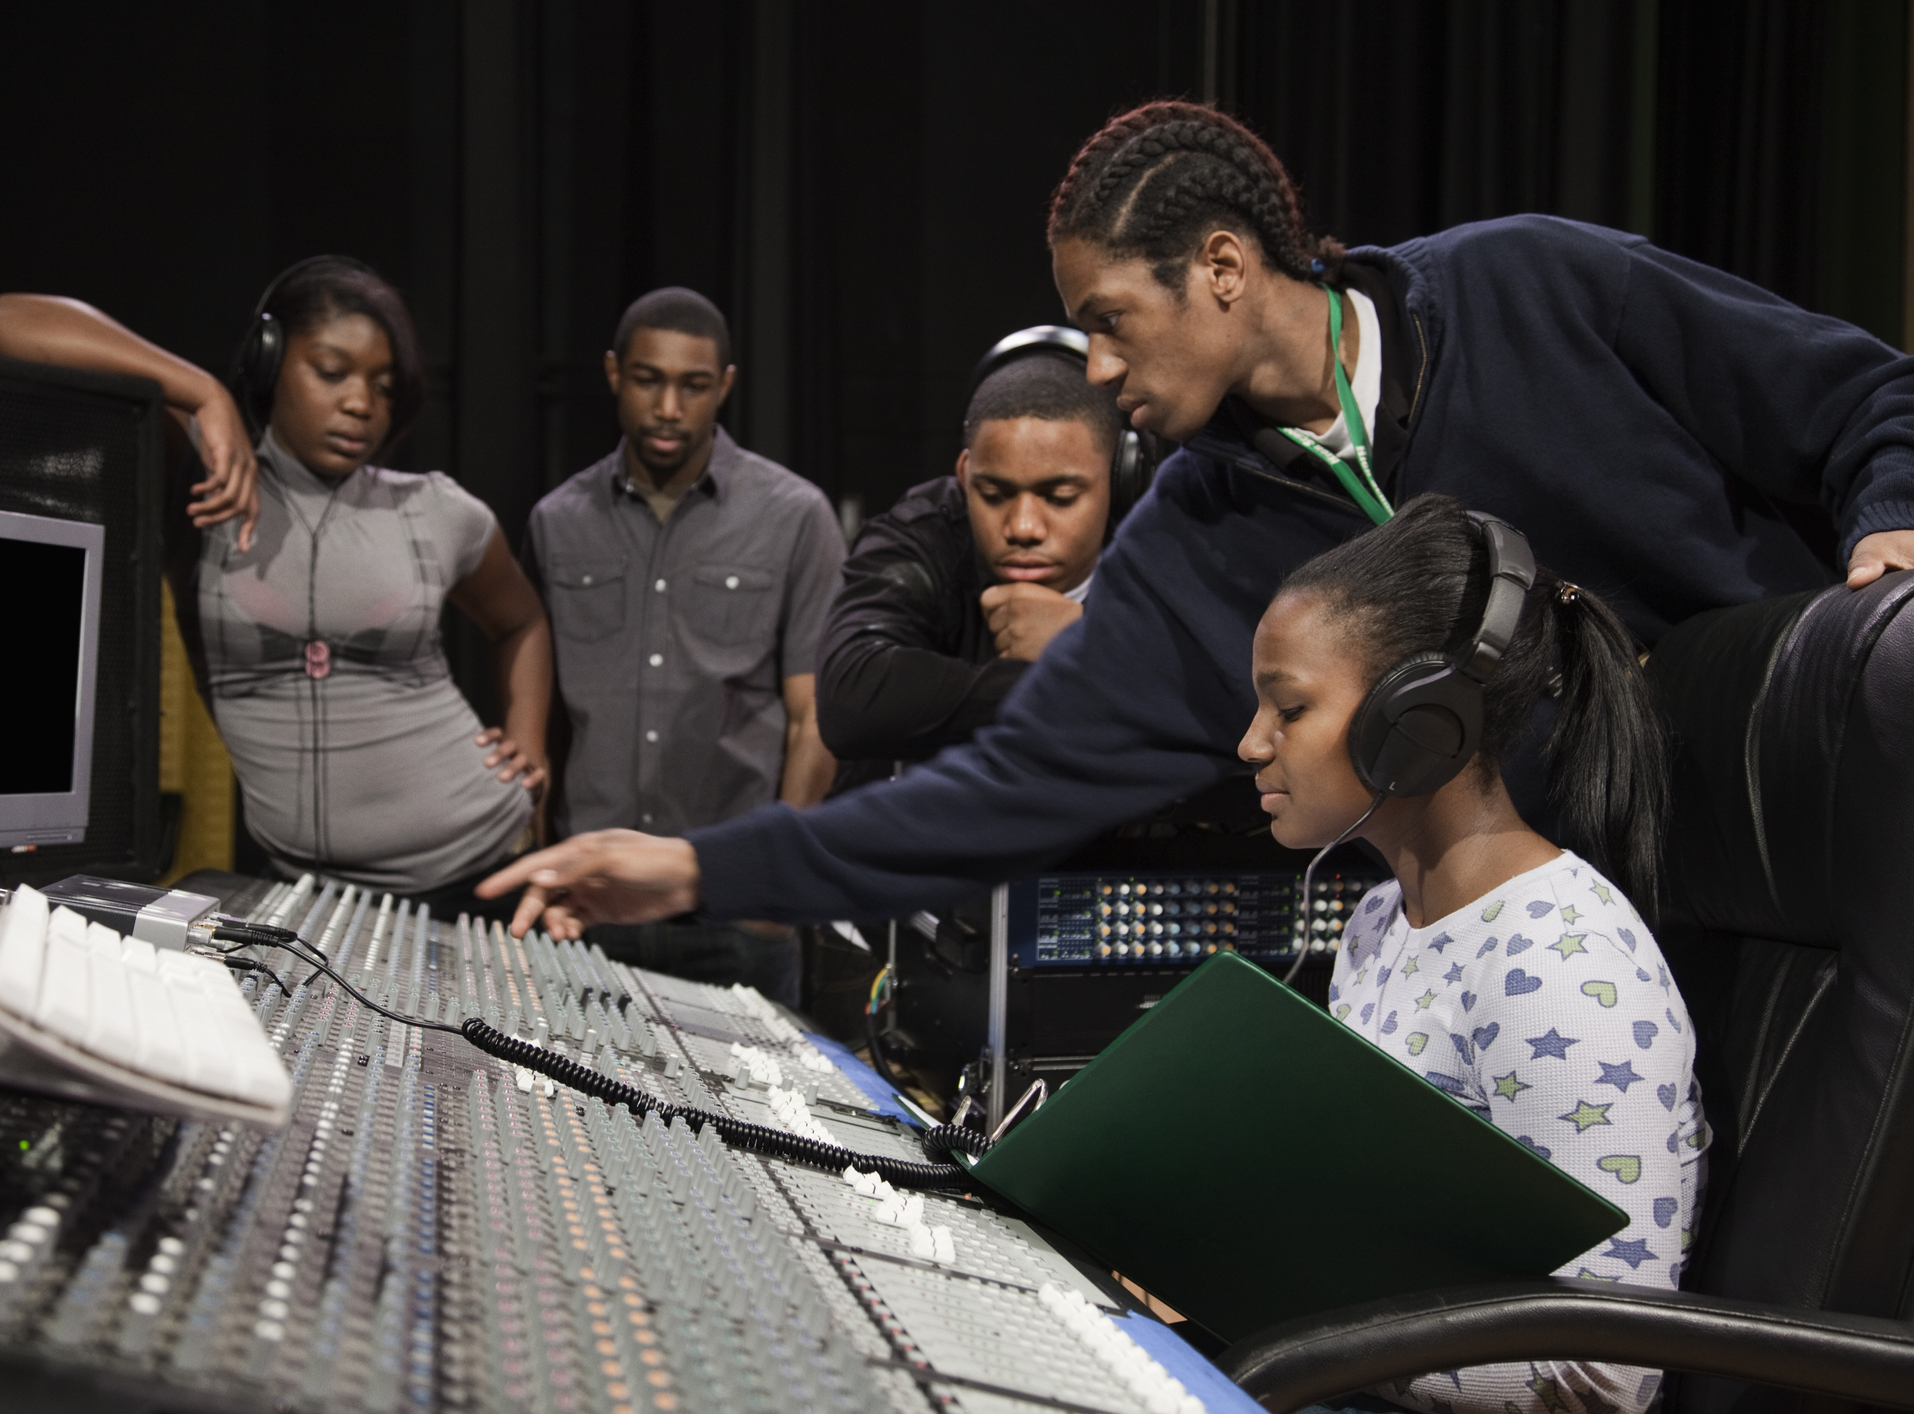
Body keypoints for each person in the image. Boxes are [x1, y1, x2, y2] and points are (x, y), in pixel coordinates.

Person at [477, 99, 1914, 946]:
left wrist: (1889, 538)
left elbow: (1864, 403)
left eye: (1109, 322)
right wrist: (692, 866)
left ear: (1221, 268)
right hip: (1593, 944)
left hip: (1828, 839)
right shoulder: (1187, 548)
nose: (1093, 370)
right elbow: (987, 802)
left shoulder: (1539, 285)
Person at [1242, 496, 1703, 1414]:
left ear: (1416, 722)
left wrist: (1282, 1326)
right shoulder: (1380, 921)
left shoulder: (1567, 971)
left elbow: (1603, 1371)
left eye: (1288, 708)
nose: (1250, 743)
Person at [0, 257, 551, 908]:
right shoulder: (205, 478)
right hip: (309, 887)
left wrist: (527, 740)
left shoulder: (438, 510)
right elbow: (6, 322)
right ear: (271, 362)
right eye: (331, 373)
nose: (360, 403)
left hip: (487, 862)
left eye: (383, 386)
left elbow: (521, 621)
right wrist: (203, 393)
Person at [521, 286, 844, 1001]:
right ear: (614, 374)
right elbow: (537, 721)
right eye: (648, 380)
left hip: (729, 904)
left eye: (693, 386)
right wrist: (538, 858)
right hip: (589, 900)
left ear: (724, 386)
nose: (669, 408)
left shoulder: (793, 516)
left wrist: (774, 883)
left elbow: (812, 716)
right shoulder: (557, 522)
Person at [819, 348, 1119, 789]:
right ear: (964, 476)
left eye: (1059, 498)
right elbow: (851, 699)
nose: (1023, 528)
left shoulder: (1162, 548)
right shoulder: (924, 535)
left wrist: (1091, 639)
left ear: (1117, 479)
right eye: (994, 494)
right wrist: (1083, 668)